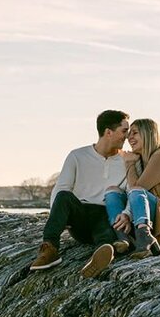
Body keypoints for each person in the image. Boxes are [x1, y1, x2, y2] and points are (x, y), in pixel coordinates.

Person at [81, 117, 160, 277]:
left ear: (149, 134)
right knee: (112, 191)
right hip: (148, 212)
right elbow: (126, 188)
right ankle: (123, 238)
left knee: (136, 191)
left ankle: (144, 237)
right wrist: (130, 163)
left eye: (135, 133)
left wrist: (126, 214)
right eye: (128, 134)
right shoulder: (140, 159)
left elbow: (137, 189)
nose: (130, 138)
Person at [29, 110, 130, 272]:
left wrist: (127, 213)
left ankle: (100, 258)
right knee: (63, 196)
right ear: (108, 132)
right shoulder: (77, 156)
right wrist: (63, 216)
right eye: (124, 131)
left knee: (106, 236)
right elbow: (61, 188)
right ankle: (50, 248)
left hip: (107, 215)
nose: (128, 136)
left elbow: (131, 191)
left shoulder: (128, 160)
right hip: (81, 216)